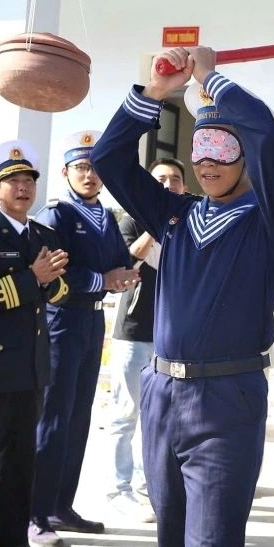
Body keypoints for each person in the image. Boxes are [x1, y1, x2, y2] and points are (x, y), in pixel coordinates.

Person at [92, 47, 274, 547]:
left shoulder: (272, 219)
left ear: (243, 159)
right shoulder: (174, 213)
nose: (207, 161)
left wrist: (213, 80)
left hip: (226, 398)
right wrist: (157, 93)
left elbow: (271, 141)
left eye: (222, 148)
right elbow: (108, 159)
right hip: (162, 394)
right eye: (200, 147)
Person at [0, 140, 70, 547]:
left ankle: (13, 539)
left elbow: (61, 289)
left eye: (28, 181)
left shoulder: (45, 234)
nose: (23, 188)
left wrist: (45, 279)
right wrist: (32, 277)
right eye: (13, 181)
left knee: (22, 460)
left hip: (33, 365)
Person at [28, 131, 137, 547]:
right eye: (80, 168)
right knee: (53, 418)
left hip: (92, 324)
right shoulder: (57, 216)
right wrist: (103, 280)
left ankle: (61, 505)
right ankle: (34, 514)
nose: (88, 175)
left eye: (94, 168)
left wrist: (124, 273)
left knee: (79, 418)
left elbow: (118, 262)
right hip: (62, 321)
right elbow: (55, 272)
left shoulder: (107, 216)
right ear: (66, 173)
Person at [107, 157, 190, 524]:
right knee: (127, 413)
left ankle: (147, 487)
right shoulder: (130, 219)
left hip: (173, 336)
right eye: (160, 179)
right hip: (135, 331)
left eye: (175, 179)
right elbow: (125, 260)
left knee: (162, 418)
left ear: (184, 187)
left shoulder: (191, 221)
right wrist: (158, 223)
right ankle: (119, 488)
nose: (168, 184)